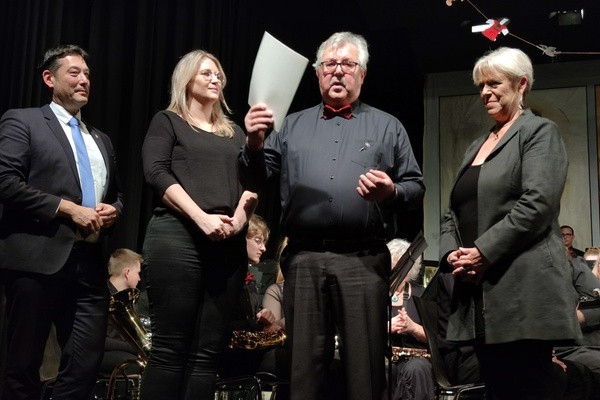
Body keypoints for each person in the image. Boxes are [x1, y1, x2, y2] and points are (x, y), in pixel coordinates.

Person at [240, 31, 425, 400]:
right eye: (330, 65)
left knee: (364, 368)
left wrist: (391, 191)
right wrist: (255, 143)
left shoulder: (388, 126)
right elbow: (257, 177)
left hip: (362, 260)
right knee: (303, 368)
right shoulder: (290, 125)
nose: (338, 72)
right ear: (318, 73)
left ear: (363, 74)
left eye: (348, 65)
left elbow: (415, 187)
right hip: (305, 259)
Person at [438, 47, 581, 400]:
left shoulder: (539, 132)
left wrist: (482, 252)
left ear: (521, 84)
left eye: (493, 83)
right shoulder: (476, 145)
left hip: (522, 288)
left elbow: (537, 204)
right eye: (480, 85)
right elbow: (451, 212)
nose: (485, 92)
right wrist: (454, 255)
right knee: (499, 387)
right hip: (479, 292)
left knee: (529, 386)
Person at [0, 44, 124, 400]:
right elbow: (5, 181)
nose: (84, 79)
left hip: (89, 266)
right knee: (23, 365)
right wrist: (68, 209)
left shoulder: (100, 139)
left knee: (85, 367)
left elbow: (118, 194)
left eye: (87, 74)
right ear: (49, 78)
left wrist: (114, 210)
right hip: (37, 262)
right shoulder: (22, 121)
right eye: (74, 73)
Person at [139, 49, 257, 400]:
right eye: (206, 73)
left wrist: (240, 219)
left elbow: (254, 181)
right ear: (186, 80)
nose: (215, 78)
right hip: (178, 238)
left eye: (218, 74)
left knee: (207, 356)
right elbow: (156, 172)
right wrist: (200, 217)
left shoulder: (234, 133)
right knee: (170, 351)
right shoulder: (168, 121)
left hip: (227, 244)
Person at [217, 214, 281, 379]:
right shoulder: (225, 278)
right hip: (225, 357)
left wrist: (263, 317)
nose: (263, 248)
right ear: (240, 240)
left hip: (241, 353)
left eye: (264, 243)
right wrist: (257, 324)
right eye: (258, 240)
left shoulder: (250, 284)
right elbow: (222, 324)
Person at [386, 238, 434, 400]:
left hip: (417, 359)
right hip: (384, 358)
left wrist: (412, 327)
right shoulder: (374, 296)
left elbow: (435, 338)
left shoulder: (423, 295)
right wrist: (386, 327)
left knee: (417, 369)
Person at [101, 248, 148, 375]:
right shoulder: (101, 298)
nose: (139, 279)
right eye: (138, 273)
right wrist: (135, 348)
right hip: (100, 353)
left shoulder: (129, 301)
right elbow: (100, 340)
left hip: (121, 351)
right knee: (138, 366)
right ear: (127, 272)